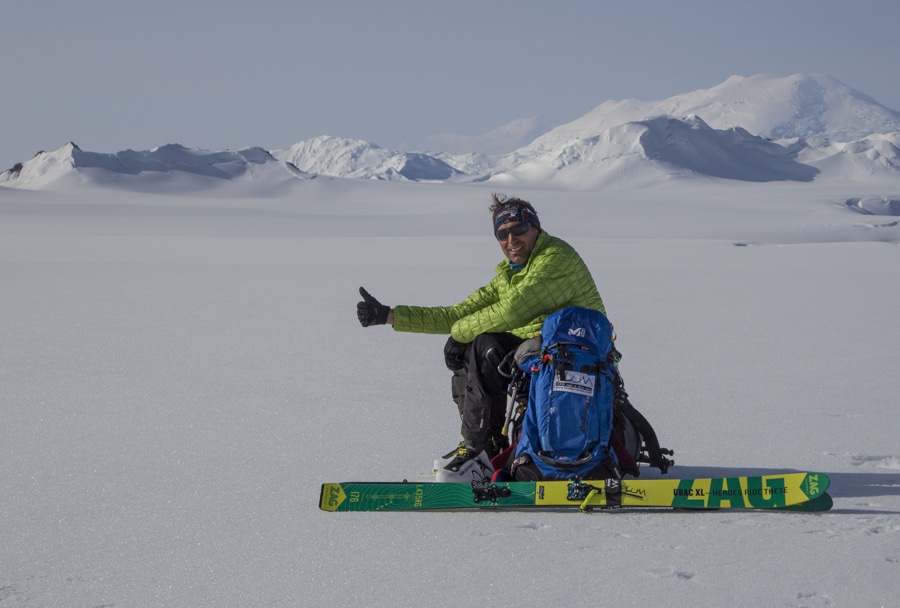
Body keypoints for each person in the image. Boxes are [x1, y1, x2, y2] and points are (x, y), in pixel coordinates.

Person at [356, 193, 606, 470]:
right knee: (476, 344)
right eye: (503, 234)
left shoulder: (555, 258)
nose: (511, 240)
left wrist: (460, 334)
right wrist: (390, 316)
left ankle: (480, 453)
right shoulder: (511, 274)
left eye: (519, 230)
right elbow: (458, 313)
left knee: (482, 343)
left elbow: (511, 312)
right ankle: (483, 446)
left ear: (535, 227)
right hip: (540, 349)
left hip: (576, 352)